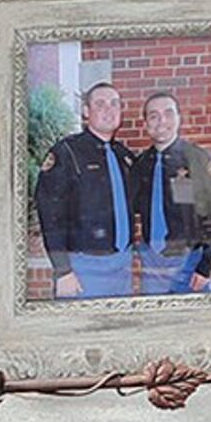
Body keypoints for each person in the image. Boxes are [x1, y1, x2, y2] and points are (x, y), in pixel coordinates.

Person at [33, 81, 143, 298]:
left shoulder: (126, 157)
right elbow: (49, 214)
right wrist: (63, 270)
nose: (109, 110)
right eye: (100, 104)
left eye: (114, 104)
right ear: (86, 111)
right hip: (83, 268)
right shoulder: (66, 152)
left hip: (122, 266)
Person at [128, 89, 211, 294]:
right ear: (145, 124)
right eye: (153, 116)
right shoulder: (140, 165)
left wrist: (205, 266)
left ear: (179, 118)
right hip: (152, 264)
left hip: (190, 264)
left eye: (168, 113)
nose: (161, 121)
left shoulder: (199, 159)